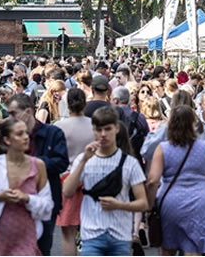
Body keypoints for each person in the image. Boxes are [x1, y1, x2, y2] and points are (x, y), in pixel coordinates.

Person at [146, 105, 205, 255]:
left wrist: (148, 205)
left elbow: (153, 181)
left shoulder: (163, 149)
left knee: (168, 247)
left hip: (171, 201)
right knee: (193, 249)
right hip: (202, 200)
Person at [62, 106, 148, 256]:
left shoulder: (129, 163)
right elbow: (67, 191)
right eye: (98, 130)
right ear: (93, 130)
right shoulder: (84, 159)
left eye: (107, 129)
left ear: (116, 129)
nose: (103, 134)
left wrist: (120, 205)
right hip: (91, 235)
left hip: (120, 235)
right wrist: (83, 161)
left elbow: (143, 203)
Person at [0, 118, 53, 256]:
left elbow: (47, 207)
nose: (26, 137)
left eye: (26, 133)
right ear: (7, 140)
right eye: (19, 134)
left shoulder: (38, 166)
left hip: (27, 242)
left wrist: (27, 198)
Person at [7, 93, 70, 255]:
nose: (9, 118)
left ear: (28, 112)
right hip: (16, 203)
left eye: (13, 113)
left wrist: (34, 163)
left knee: (42, 249)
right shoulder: (8, 137)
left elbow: (62, 163)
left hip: (45, 202)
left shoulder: (53, 134)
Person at [54, 89, 95, 256]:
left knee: (67, 233)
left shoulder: (59, 127)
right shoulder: (94, 125)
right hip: (91, 180)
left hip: (67, 180)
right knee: (91, 232)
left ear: (67, 104)